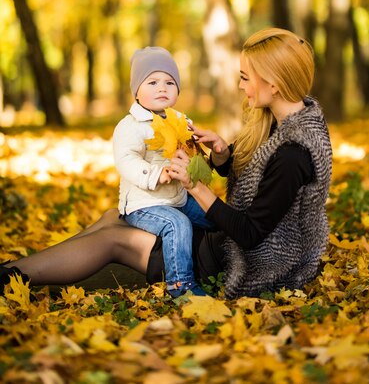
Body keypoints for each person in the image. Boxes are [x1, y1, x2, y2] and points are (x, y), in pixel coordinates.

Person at [0, 28, 332, 300]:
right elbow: (259, 179)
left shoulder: (294, 153)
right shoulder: (282, 119)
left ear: (272, 84)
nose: (241, 86)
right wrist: (221, 154)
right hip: (224, 237)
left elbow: (251, 234)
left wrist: (194, 186)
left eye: (246, 78)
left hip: (241, 260)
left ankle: (11, 277)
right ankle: (14, 270)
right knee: (113, 217)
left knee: (113, 240)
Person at [113, 46, 212, 297]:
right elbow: (126, 160)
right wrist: (158, 174)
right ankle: (181, 286)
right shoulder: (131, 126)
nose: (162, 88)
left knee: (213, 215)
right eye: (152, 82)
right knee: (176, 223)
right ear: (136, 91)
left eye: (170, 82)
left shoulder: (179, 120)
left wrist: (196, 155)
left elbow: (191, 151)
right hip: (144, 204)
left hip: (177, 197)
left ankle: (229, 257)